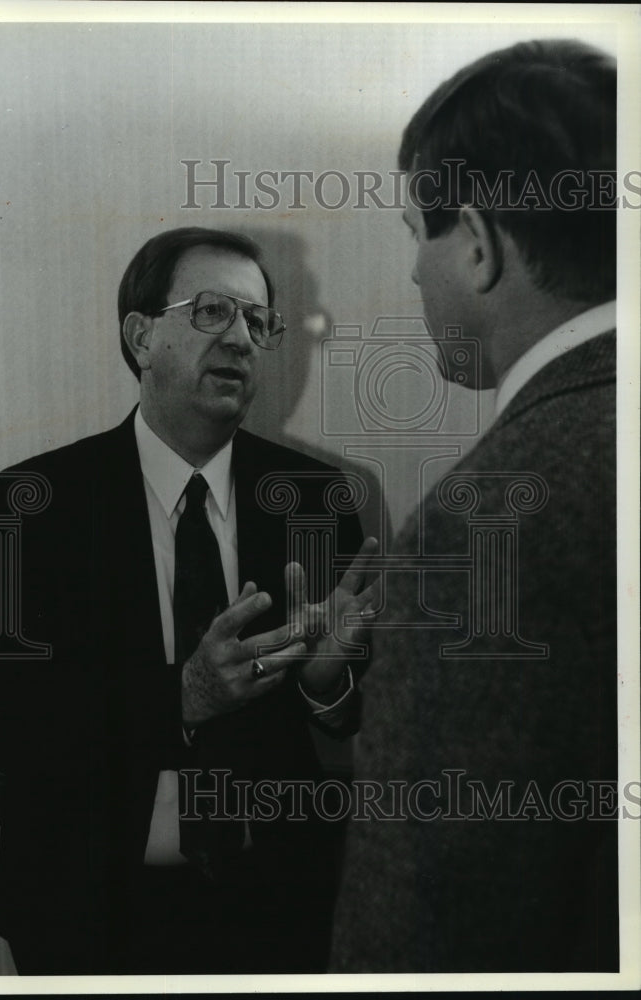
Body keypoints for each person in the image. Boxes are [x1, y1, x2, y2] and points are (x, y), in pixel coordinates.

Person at [0, 226, 376, 975]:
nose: (242, 340)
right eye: (213, 311)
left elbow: (341, 711)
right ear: (140, 334)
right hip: (88, 914)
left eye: (258, 321)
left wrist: (326, 686)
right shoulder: (32, 503)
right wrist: (182, 698)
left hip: (276, 909)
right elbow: (5, 724)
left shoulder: (315, 501)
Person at [331, 39, 618, 973]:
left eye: (418, 231)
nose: (415, 273)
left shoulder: (480, 526)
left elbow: (421, 934)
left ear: (480, 244)